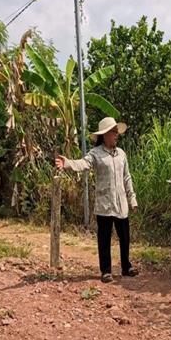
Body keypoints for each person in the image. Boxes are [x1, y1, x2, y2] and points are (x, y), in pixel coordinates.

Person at [55, 117, 139, 283]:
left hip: (121, 203)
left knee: (125, 237)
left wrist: (132, 198)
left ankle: (126, 266)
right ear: (105, 135)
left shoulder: (121, 154)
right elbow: (83, 164)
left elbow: (127, 177)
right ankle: (106, 270)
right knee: (104, 238)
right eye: (113, 132)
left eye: (116, 132)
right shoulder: (96, 153)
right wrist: (68, 163)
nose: (116, 135)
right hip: (104, 204)